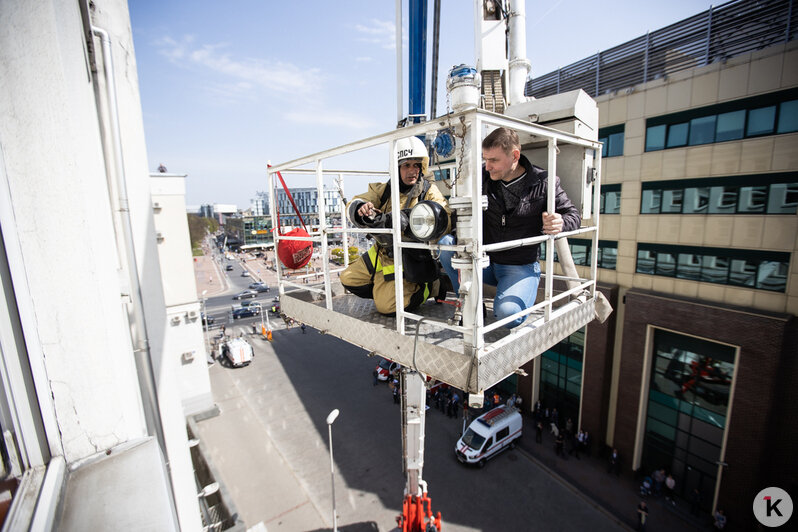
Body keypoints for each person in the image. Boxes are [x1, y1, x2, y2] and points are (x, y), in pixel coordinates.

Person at [439, 127, 581, 328]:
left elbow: (573, 216)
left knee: (508, 315)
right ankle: (470, 304)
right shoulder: (480, 178)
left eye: (494, 160)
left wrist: (561, 223)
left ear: (515, 155)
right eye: (485, 159)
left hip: (518, 266)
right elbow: (458, 217)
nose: (487, 166)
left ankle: (515, 291)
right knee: (446, 245)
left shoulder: (544, 182)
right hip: (485, 261)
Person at [341, 137, 451, 315]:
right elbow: (355, 203)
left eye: (416, 165)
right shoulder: (383, 190)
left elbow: (443, 218)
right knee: (348, 279)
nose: (412, 171)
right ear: (396, 167)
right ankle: (384, 288)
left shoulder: (428, 191)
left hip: (411, 256)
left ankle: (432, 287)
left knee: (387, 307)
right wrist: (361, 208)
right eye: (406, 165)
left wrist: (408, 221)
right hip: (381, 250)